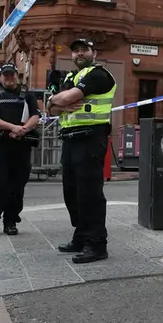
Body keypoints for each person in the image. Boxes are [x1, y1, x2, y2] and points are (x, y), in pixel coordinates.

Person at [46, 38, 116, 264]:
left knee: (90, 194)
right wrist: (55, 103)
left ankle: (96, 244)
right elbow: (52, 109)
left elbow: (62, 100)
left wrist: (58, 101)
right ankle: (80, 236)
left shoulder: (98, 74)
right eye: (75, 51)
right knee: (72, 193)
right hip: (70, 139)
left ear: (93, 52)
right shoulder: (70, 78)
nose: (79, 54)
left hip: (90, 138)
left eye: (84, 50)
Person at [0, 63, 41, 237]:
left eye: (11, 74)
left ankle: (11, 221)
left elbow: (35, 116)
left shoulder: (26, 94)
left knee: (17, 185)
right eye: (5, 75)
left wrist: (23, 130)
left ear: (17, 75)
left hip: (21, 144)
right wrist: (12, 127)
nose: (8, 78)